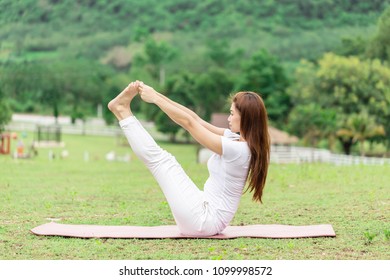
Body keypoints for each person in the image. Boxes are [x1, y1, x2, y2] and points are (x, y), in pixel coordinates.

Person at [108, 81, 270, 237]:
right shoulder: (235, 139)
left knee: (163, 161)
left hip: (204, 221)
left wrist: (155, 99)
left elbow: (189, 123)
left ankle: (123, 112)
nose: (228, 118)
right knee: (164, 161)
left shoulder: (239, 150)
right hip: (204, 212)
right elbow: (195, 119)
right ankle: (122, 111)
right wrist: (155, 94)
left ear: (246, 118)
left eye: (232, 113)